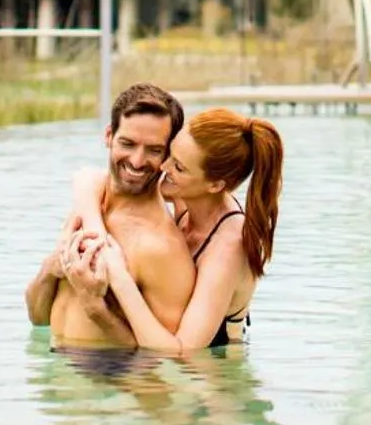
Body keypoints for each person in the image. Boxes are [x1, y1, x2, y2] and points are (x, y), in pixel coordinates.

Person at [69, 108, 283, 355]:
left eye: (179, 167)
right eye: (169, 154)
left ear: (215, 185)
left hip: (213, 376)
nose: (162, 167)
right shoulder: (187, 195)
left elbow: (180, 352)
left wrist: (118, 276)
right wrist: (98, 237)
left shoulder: (228, 248)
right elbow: (87, 178)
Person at [25, 83, 193, 348]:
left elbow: (160, 363)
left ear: (168, 154)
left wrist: (95, 308)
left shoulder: (161, 248)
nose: (137, 161)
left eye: (154, 150)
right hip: (55, 379)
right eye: (127, 144)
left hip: (106, 385)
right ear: (108, 136)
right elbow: (38, 319)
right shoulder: (88, 208)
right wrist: (50, 269)